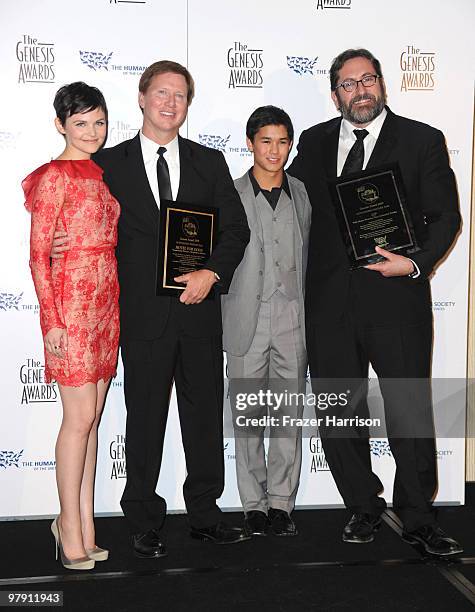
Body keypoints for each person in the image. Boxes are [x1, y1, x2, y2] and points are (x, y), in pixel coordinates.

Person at [53, 61, 250, 555]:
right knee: (142, 422)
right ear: (141, 98)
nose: (170, 102)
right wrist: (59, 239)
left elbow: (236, 231)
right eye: (161, 92)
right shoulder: (109, 163)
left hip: (201, 313)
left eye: (180, 95)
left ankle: (205, 512)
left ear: (188, 105)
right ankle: (142, 516)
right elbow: (82, 217)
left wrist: (211, 273)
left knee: (204, 418)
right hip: (140, 317)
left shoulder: (209, 162)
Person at [288, 48, 463, 555]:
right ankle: (362, 507)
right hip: (329, 303)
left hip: (396, 296)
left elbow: (445, 217)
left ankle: (418, 516)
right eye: (348, 84)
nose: (359, 90)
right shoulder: (315, 141)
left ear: (382, 85)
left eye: (367, 80)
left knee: (409, 408)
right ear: (335, 93)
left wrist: (412, 264)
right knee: (341, 411)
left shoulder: (422, 140)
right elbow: (288, 201)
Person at [23, 82, 120, 570]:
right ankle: (68, 526)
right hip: (72, 310)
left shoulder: (102, 174)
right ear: (61, 125)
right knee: (77, 420)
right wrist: (53, 322)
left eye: (98, 121)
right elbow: (39, 257)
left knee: (93, 420)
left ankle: (83, 522)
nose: (91, 131)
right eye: (80, 123)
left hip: (107, 306)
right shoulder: (54, 177)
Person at [222, 106, 311, 537]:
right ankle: (252, 505)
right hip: (245, 316)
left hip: (293, 316)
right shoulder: (229, 193)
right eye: (265, 141)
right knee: (247, 416)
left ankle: (281, 504)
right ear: (250, 143)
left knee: (288, 415)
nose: (274, 151)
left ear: (290, 144)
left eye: (282, 141)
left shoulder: (303, 194)